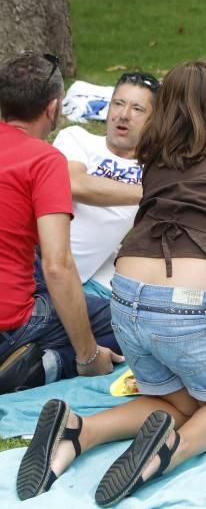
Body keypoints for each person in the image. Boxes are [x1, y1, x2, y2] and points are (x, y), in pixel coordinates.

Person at [15, 59, 206, 505]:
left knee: (180, 403)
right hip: (189, 303)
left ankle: (80, 431)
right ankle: (170, 449)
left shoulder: (158, 163)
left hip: (125, 298)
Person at [0, 51, 121, 395]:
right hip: (11, 321)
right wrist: (87, 355)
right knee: (121, 321)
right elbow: (58, 265)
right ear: (53, 108)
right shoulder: (44, 160)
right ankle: (45, 366)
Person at [52, 71, 159, 297]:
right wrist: (151, 192)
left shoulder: (155, 168)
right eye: (118, 103)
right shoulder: (76, 138)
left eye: (137, 109)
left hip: (78, 282)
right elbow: (74, 184)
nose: (124, 115)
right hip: (38, 267)